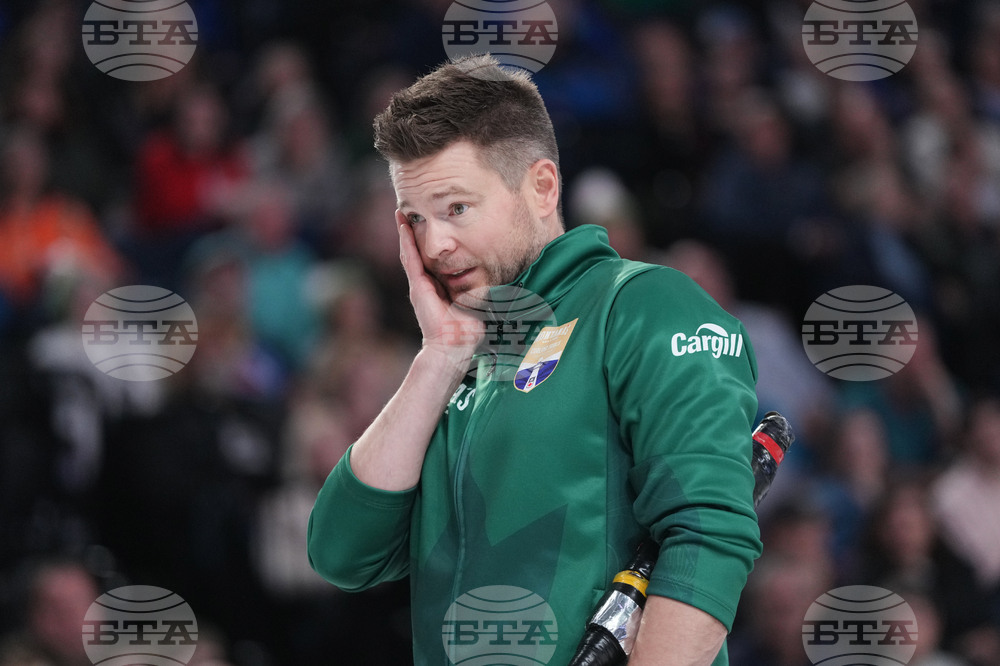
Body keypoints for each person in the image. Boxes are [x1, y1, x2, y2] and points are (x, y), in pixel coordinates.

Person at [307, 54, 763, 665]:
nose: (434, 243)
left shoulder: (646, 305)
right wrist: (439, 357)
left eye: (456, 209)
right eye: (416, 219)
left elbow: (709, 539)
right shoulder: (462, 355)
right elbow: (341, 553)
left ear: (542, 186)